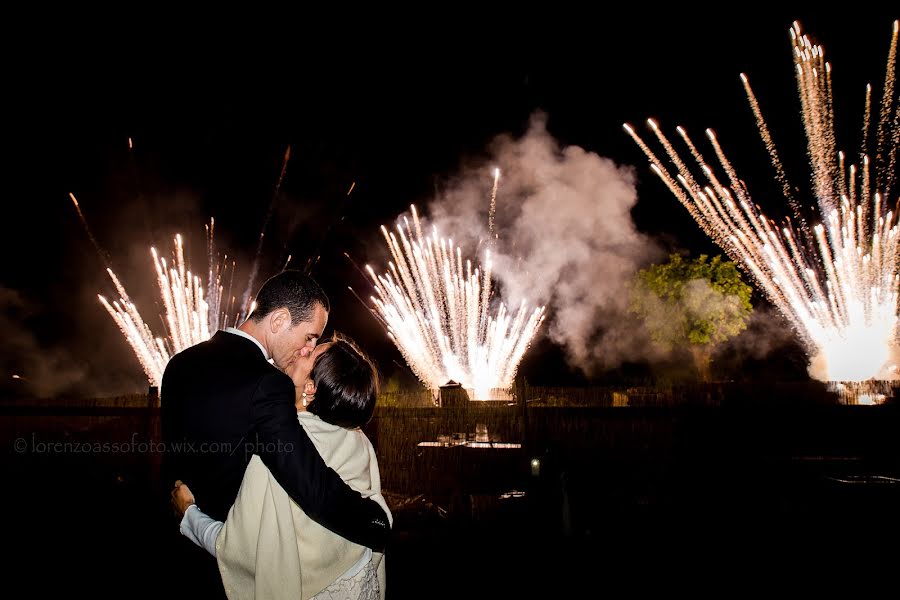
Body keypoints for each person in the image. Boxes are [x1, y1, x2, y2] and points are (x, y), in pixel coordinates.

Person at [161, 271, 390, 595]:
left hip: (190, 558)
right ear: (280, 319)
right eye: (310, 337)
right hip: (236, 565)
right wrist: (378, 524)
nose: (306, 348)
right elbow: (311, 485)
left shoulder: (178, 365)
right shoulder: (270, 384)